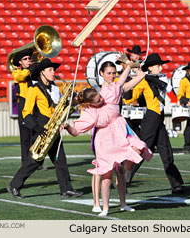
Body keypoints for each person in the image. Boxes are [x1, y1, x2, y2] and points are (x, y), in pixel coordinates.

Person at [64, 60, 151, 216]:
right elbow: (76, 131)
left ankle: (123, 197)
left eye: (113, 72)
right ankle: (104, 207)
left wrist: (129, 65)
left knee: (138, 148)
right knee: (105, 174)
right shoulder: (90, 111)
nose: (102, 100)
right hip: (105, 139)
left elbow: (122, 81)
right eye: (98, 100)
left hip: (120, 130)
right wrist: (67, 126)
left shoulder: (111, 90)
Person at [7, 58, 83, 198]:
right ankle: (14, 185)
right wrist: (36, 128)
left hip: (54, 125)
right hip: (41, 127)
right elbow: (26, 112)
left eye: (53, 70)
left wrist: (70, 102)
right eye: (50, 70)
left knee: (60, 160)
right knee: (35, 161)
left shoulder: (55, 88)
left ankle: (66, 189)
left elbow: (58, 106)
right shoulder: (33, 89)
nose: (53, 72)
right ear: (42, 72)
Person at [124, 53, 185, 194]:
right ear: (150, 68)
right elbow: (130, 98)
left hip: (159, 119)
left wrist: (148, 77)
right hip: (151, 118)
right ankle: (125, 180)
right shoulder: (143, 81)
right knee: (142, 150)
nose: (161, 67)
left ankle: (176, 185)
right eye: (158, 65)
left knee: (166, 152)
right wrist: (129, 81)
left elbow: (168, 89)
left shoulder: (161, 78)